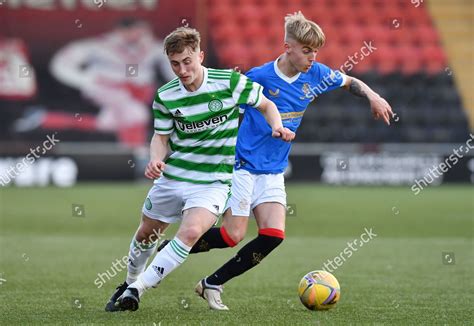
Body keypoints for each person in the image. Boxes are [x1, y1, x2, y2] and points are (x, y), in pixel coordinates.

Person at [185, 11, 394, 310]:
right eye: (307, 51)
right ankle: (175, 248)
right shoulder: (258, 77)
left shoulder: (317, 74)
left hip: (272, 170)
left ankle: (212, 283)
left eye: (315, 51)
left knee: (272, 235)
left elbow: (349, 81)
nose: (312, 57)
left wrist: (373, 95)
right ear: (288, 47)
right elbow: (224, 107)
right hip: (241, 165)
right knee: (233, 236)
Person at [104, 26, 295, 312]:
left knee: (192, 232)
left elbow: (266, 104)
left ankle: (137, 289)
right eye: (175, 64)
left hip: (213, 181)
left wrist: (277, 126)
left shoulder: (230, 82)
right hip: (176, 176)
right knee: (147, 234)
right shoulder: (166, 96)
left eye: (187, 61)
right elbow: (161, 137)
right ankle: (128, 281)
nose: (182, 70)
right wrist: (156, 159)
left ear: (200, 56)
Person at [15, 18, 175, 148]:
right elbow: (60, 64)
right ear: (122, 30)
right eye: (138, 31)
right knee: (136, 114)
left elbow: (173, 69)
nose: (143, 36)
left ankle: (45, 118)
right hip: (107, 90)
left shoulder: (155, 47)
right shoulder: (99, 46)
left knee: (106, 123)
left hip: (138, 94)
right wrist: (87, 80)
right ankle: (136, 156)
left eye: (145, 31)